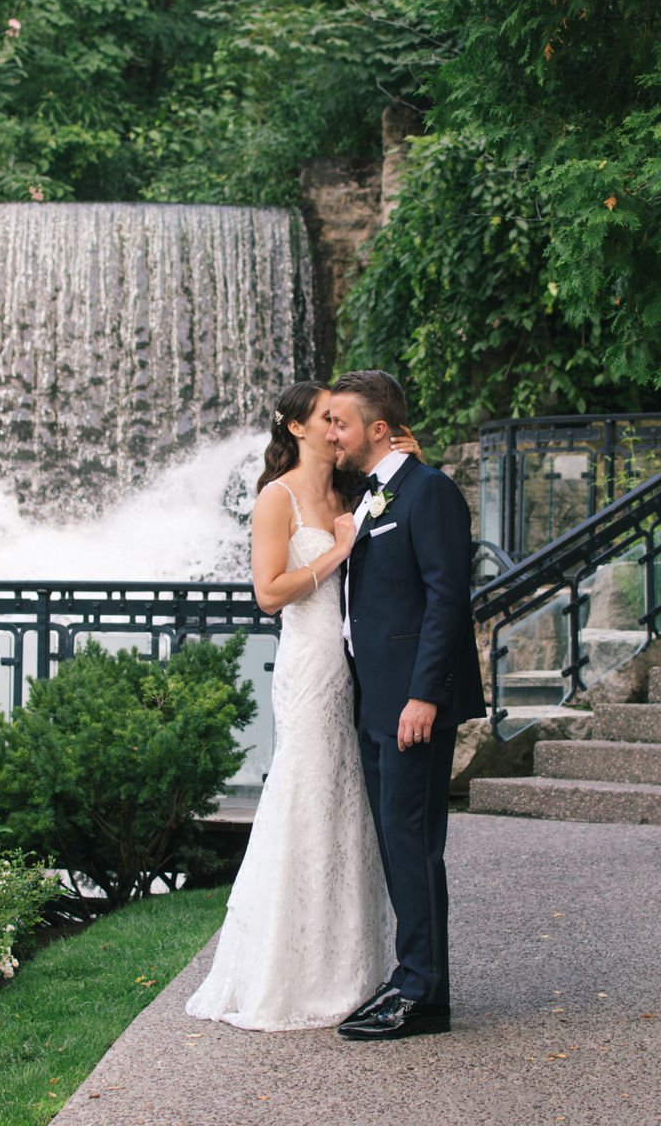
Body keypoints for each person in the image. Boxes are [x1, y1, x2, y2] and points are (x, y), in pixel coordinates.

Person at [185, 380, 422, 1031]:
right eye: (326, 416)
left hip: (358, 667)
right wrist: (340, 549)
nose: (335, 424)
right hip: (311, 666)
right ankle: (293, 974)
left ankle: (354, 967)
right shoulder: (276, 497)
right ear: (297, 427)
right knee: (309, 798)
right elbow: (268, 594)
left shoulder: (351, 492)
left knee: (349, 811)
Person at [326, 369, 486, 1042]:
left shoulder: (430, 492)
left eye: (340, 422)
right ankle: (414, 979)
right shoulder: (370, 498)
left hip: (411, 703)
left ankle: (421, 993)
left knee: (413, 843)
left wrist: (424, 694)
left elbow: (447, 598)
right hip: (375, 699)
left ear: (379, 429)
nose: (331, 432)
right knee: (398, 843)